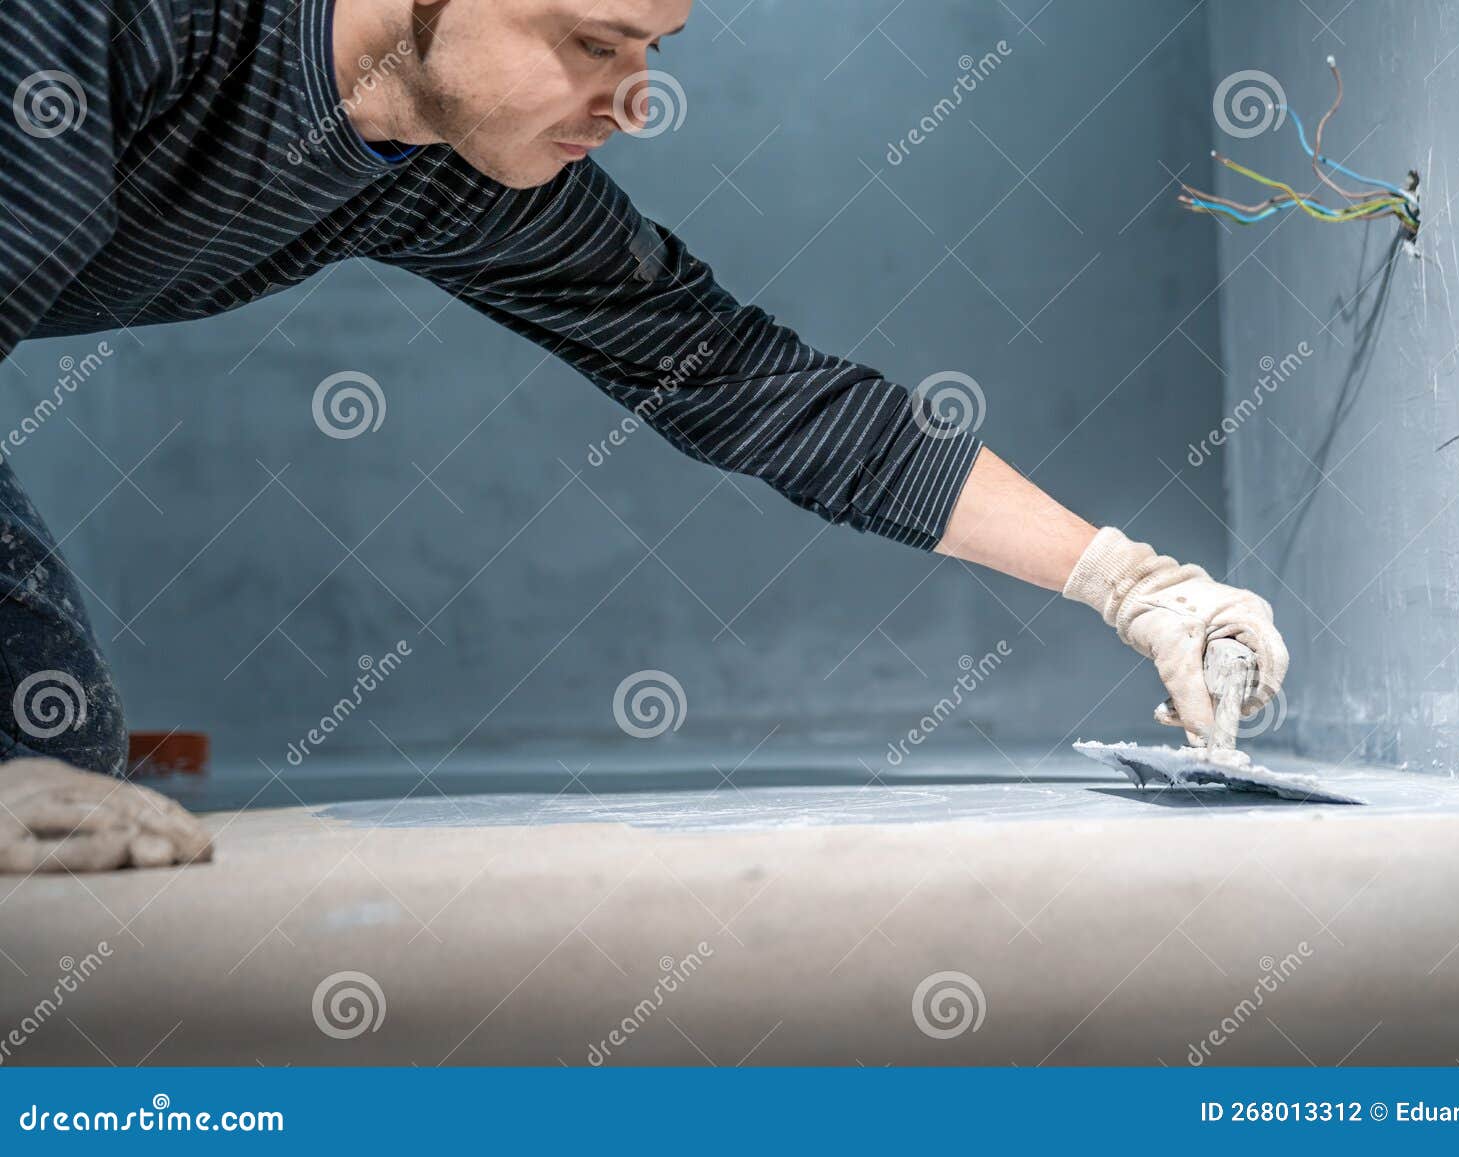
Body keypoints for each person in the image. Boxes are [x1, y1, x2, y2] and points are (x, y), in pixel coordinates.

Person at [0, 0, 1287, 873]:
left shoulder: (458, 175)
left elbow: (752, 383)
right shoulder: (111, 26)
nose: (632, 99)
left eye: (655, 47)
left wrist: (1132, 582)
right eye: (593, 41)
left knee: (61, 779)